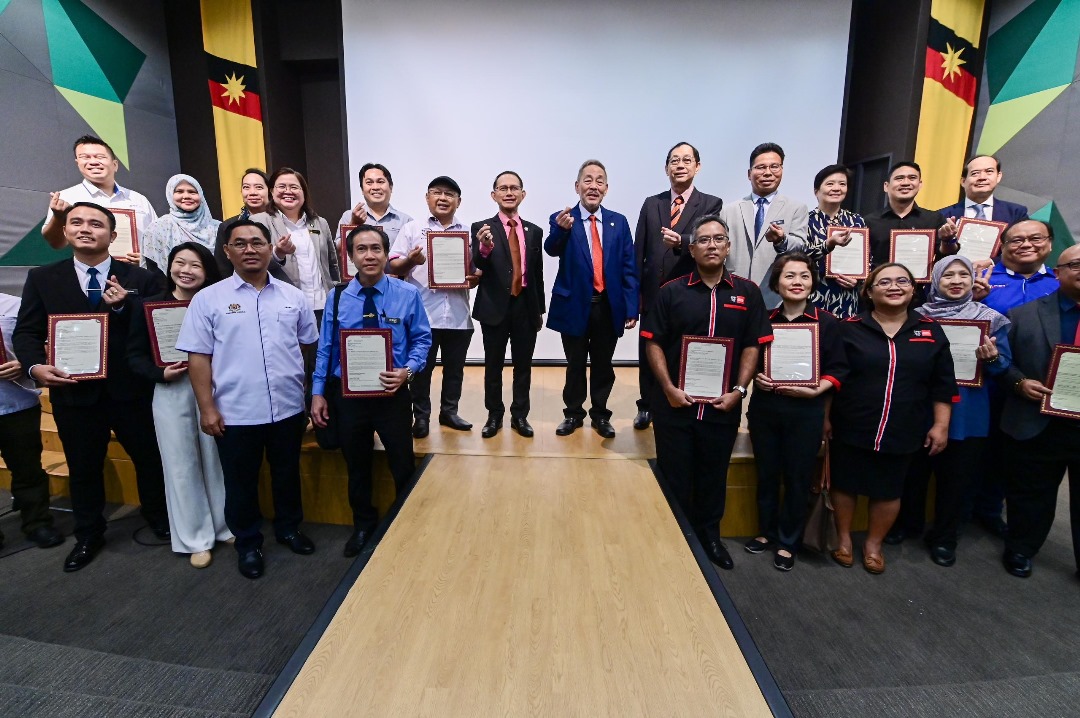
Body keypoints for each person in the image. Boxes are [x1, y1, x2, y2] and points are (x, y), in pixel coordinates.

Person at [14, 202, 169, 572]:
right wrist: (35, 367)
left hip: (132, 391)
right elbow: (27, 331)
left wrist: (125, 307)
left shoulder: (141, 278)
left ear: (112, 235)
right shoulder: (43, 278)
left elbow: (158, 326)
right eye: (77, 222)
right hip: (74, 393)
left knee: (150, 460)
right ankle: (88, 533)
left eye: (96, 224)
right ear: (66, 231)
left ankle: (160, 518)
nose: (86, 229)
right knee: (83, 467)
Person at [176, 219, 319, 579]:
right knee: (240, 484)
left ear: (271, 249)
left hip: (288, 408)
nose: (250, 249)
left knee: (287, 475)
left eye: (257, 242)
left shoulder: (293, 297)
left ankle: (289, 529)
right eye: (240, 244)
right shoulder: (208, 299)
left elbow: (306, 346)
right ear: (227, 252)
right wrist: (207, 408)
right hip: (235, 412)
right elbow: (198, 357)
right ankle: (249, 543)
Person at [642, 215, 772, 570]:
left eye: (718, 239)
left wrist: (739, 391)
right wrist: (667, 388)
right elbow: (653, 343)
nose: (711, 245)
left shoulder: (748, 293)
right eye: (703, 240)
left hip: (722, 407)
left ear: (728, 247)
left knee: (714, 475)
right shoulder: (672, 291)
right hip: (675, 406)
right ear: (692, 248)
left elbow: (752, 345)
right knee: (674, 474)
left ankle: (710, 537)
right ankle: (675, 538)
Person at [827, 262, 958, 574]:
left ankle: (873, 544)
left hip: (904, 426)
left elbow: (943, 384)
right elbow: (833, 376)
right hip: (851, 423)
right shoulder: (848, 328)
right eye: (884, 282)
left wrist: (941, 425)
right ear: (869, 292)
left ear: (913, 290)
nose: (894, 286)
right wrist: (825, 418)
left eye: (902, 281)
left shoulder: (930, 330)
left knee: (889, 489)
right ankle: (843, 540)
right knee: (845, 484)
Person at [311, 225, 431, 556]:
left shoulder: (407, 294)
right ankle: (364, 524)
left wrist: (407, 372)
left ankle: (407, 523)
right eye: (361, 249)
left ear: (386, 253)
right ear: (350, 256)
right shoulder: (337, 298)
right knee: (357, 465)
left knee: (402, 463)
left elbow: (422, 340)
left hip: (392, 395)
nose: (369, 255)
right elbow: (326, 348)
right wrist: (318, 393)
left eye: (376, 248)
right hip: (349, 398)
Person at [888, 256, 1012, 566]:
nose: (956, 281)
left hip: (968, 413)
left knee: (957, 481)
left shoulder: (989, 319)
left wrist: (992, 359)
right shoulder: (916, 316)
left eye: (963, 274)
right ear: (935, 280)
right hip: (919, 409)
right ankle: (907, 524)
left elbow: (1004, 368)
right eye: (948, 275)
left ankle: (945, 538)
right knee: (912, 475)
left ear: (973, 280)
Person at [128, 241, 232, 568]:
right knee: (180, 463)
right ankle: (195, 537)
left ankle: (224, 525)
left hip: (215, 389)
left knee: (216, 458)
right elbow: (134, 356)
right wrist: (159, 373)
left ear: (207, 272)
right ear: (169, 266)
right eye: (180, 263)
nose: (186, 271)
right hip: (171, 389)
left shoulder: (218, 303)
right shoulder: (148, 307)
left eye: (195, 265)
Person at [746, 252, 847, 571]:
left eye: (804, 275)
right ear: (776, 283)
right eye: (789, 276)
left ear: (813, 282)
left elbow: (839, 367)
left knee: (797, 477)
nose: (797, 282)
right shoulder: (764, 319)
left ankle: (788, 540)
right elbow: (749, 359)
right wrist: (756, 376)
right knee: (766, 473)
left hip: (806, 411)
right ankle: (766, 531)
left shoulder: (826, 322)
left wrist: (817, 389)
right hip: (766, 408)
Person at [969, 219, 1060, 537]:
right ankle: (965, 510)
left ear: (1049, 244)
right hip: (986, 382)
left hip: (1038, 386)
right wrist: (972, 299)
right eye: (1016, 240)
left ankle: (992, 510)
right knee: (978, 450)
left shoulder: (1060, 282)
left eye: (1035, 238)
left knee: (1017, 457)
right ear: (1003, 246)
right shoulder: (982, 279)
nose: (1026, 244)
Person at [998, 243, 1080, 579]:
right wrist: (1019, 383)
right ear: (1057, 273)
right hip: (1037, 419)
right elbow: (1002, 362)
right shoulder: (1023, 314)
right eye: (1076, 264)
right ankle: (1021, 548)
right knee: (1031, 495)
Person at [633, 142, 723, 430]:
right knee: (648, 351)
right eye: (674, 161)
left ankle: (682, 401)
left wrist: (682, 241)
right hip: (653, 294)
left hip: (689, 294)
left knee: (682, 351)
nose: (680, 165)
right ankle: (646, 405)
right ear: (666, 168)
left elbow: (710, 240)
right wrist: (635, 299)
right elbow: (638, 251)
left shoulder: (710, 203)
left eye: (686, 160)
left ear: (698, 166)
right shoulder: (652, 203)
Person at [545, 160, 639, 438]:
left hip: (608, 307)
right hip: (574, 305)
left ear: (606, 189)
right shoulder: (563, 218)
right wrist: (561, 229)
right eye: (588, 180)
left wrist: (631, 307)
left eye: (599, 181)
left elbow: (628, 266)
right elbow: (551, 249)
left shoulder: (618, 222)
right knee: (575, 365)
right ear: (577, 186)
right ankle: (573, 414)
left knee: (603, 365)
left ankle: (600, 415)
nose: (593, 186)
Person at [388, 176, 477, 438]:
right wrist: (410, 261)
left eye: (450, 194)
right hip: (422, 315)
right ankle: (421, 417)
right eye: (437, 192)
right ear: (427, 198)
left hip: (458, 315)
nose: (443, 198)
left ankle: (449, 412)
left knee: (454, 370)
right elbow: (393, 265)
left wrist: (475, 278)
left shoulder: (468, 232)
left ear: (459, 201)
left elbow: (475, 271)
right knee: (420, 370)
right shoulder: (412, 229)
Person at [472, 171, 545, 439]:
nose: (509, 192)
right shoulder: (482, 228)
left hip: (525, 306)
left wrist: (539, 310)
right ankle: (494, 415)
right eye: (503, 188)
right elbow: (478, 264)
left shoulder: (534, 231)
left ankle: (520, 415)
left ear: (523, 194)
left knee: (523, 366)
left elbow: (537, 273)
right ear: (494, 195)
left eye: (514, 188)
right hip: (494, 307)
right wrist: (484, 247)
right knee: (493, 366)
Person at [0, 293, 64, 551]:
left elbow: (40, 344)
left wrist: (24, 364)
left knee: (27, 468)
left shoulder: (14, 305)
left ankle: (37, 523)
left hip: (16, 402)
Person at [41, 135, 156, 263]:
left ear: (115, 165)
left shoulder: (139, 200)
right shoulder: (66, 197)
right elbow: (56, 243)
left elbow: (157, 240)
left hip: (135, 272)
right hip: (88, 272)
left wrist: (146, 260)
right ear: (78, 163)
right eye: (85, 157)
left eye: (100, 157)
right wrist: (58, 217)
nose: (93, 162)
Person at [720, 142, 808, 308]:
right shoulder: (728, 210)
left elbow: (800, 247)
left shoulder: (796, 208)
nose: (768, 173)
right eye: (761, 167)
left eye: (774, 166)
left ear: (782, 170)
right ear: (749, 174)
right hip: (734, 294)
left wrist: (781, 240)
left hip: (774, 296)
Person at [250, 168, 340, 319]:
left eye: (294, 187)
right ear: (272, 191)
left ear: (303, 192)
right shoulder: (259, 222)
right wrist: (278, 254)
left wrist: (335, 296)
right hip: (282, 309)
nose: (288, 191)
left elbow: (332, 265)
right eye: (282, 186)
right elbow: (253, 265)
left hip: (323, 308)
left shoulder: (319, 223)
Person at [802, 164, 867, 318]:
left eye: (842, 184)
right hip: (814, 295)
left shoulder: (856, 221)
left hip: (847, 298)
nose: (837, 188)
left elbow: (866, 259)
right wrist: (827, 245)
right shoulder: (805, 220)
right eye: (830, 184)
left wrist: (858, 280)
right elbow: (800, 256)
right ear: (816, 191)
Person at [865, 161, 953, 269]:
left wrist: (947, 240)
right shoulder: (869, 221)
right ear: (886, 186)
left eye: (912, 178)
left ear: (920, 184)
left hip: (921, 280)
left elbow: (945, 257)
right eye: (899, 178)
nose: (906, 183)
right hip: (881, 279)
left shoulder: (935, 219)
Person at [213, 169, 291, 284]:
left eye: (259, 187)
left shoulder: (285, 220)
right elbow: (223, 269)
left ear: (270, 191)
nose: (252, 192)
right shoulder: (228, 226)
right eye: (246, 187)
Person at [141, 174, 221, 275]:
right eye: (179, 191)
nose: (186, 196)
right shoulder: (157, 228)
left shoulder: (218, 228)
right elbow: (153, 272)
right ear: (170, 194)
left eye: (192, 192)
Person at [335, 163, 413, 247]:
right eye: (369, 182)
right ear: (362, 189)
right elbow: (340, 250)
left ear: (391, 187)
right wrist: (353, 225)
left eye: (380, 182)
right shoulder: (349, 217)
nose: (375, 187)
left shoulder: (406, 221)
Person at [938, 154, 1029, 225]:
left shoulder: (1016, 213)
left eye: (989, 171)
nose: (982, 177)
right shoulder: (941, 215)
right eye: (975, 173)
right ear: (963, 181)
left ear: (998, 176)